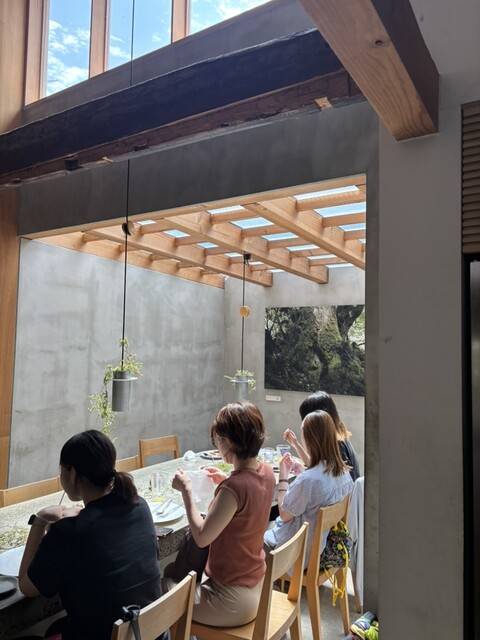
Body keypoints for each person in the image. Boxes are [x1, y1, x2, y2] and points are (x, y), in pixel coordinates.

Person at [18, 430, 164, 640]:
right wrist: (78, 517)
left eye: (61, 470)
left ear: (73, 474)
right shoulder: (139, 505)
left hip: (107, 634)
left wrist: (40, 520)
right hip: (150, 632)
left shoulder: (67, 533)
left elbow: (27, 587)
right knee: (57, 627)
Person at [167, 401, 275, 627]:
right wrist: (225, 480)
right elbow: (247, 499)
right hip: (258, 588)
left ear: (228, 441)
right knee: (172, 575)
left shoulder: (233, 488)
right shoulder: (266, 472)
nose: (217, 444)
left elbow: (202, 537)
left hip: (230, 601)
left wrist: (187, 491)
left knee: (161, 588)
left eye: (218, 438)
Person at [264, 410, 353, 567]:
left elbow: (284, 514)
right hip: (326, 548)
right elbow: (319, 485)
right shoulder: (344, 473)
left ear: (309, 438)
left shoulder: (308, 481)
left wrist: (283, 477)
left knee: (254, 533)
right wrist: (302, 469)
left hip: (296, 555)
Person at [284, 390, 361, 481]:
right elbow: (319, 467)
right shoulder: (336, 439)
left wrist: (283, 480)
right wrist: (296, 445)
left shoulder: (337, 445)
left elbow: (328, 477)